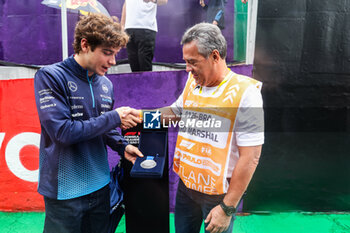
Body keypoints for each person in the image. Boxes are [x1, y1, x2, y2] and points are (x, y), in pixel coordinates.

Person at [139, 23, 264, 233]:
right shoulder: (193, 81)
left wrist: (227, 208)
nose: (187, 68)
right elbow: (176, 113)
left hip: (218, 196)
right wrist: (140, 118)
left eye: (192, 62)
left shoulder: (246, 93)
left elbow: (251, 156)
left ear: (215, 56)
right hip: (186, 188)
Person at [34, 13, 143, 233]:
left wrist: (123, 147)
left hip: (100, 187)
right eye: (107, 53)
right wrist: (114, 117)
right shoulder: (50, 76)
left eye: (115, 54)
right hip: (64, 192)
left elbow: (104, 128)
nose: (113, 61)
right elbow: (62, 132)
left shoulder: (106, 84)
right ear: (85, 45)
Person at [121, 0, 168, 72]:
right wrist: (122, 26)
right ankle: (137, 82)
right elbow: (126, 3)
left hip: (146, 27)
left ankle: (147, 83)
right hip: (129, 28)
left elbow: (164, 1)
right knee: (133, 65)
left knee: (144, 65)